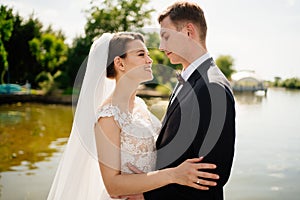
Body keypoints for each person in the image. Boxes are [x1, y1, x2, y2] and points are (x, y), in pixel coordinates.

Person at [47, 32, 219, 200]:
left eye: (148, 54)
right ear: (120, 64)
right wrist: (173, 175)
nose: (150, 60)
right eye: (141, 54)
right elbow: (112, 185)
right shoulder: (108, 117)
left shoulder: (141, 105)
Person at [141, 2, 236, 200]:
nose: (160, 46)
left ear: (188, 31)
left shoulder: (212, 88)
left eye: (166, 36)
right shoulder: (187, 77)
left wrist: (145, 195)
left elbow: (210, 177)